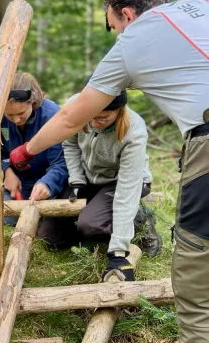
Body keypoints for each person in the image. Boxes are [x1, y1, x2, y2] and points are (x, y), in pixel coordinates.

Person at [8, 0, 209, 343]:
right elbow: (78, 146)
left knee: (198, 289)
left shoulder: (135, 39)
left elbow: (71, 115)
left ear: (127, 13)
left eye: (111, 26)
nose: (115, 36)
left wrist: (22, 153)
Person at [42, 90, 161, 275]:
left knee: (91, 225)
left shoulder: (134, 130)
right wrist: (77, 180)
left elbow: (127, 188)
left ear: (119, 110)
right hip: (90, 177)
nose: (95, 124)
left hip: (122, 181)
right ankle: (95, 226)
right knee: (51, 238)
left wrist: (118, 254)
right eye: (91, 118)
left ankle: (139, 223)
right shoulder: (76, 106)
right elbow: (70, 144)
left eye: (103, 118)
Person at [0, 72, 68, 236]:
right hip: (18, 184)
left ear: (34, 101)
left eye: (21, 113)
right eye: (10, 115)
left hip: (47, 184)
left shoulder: (52, 116)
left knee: (43, 232)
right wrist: (7, 171)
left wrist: (47, 184)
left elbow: (61, 163)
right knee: (4, 222)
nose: (16, 120)